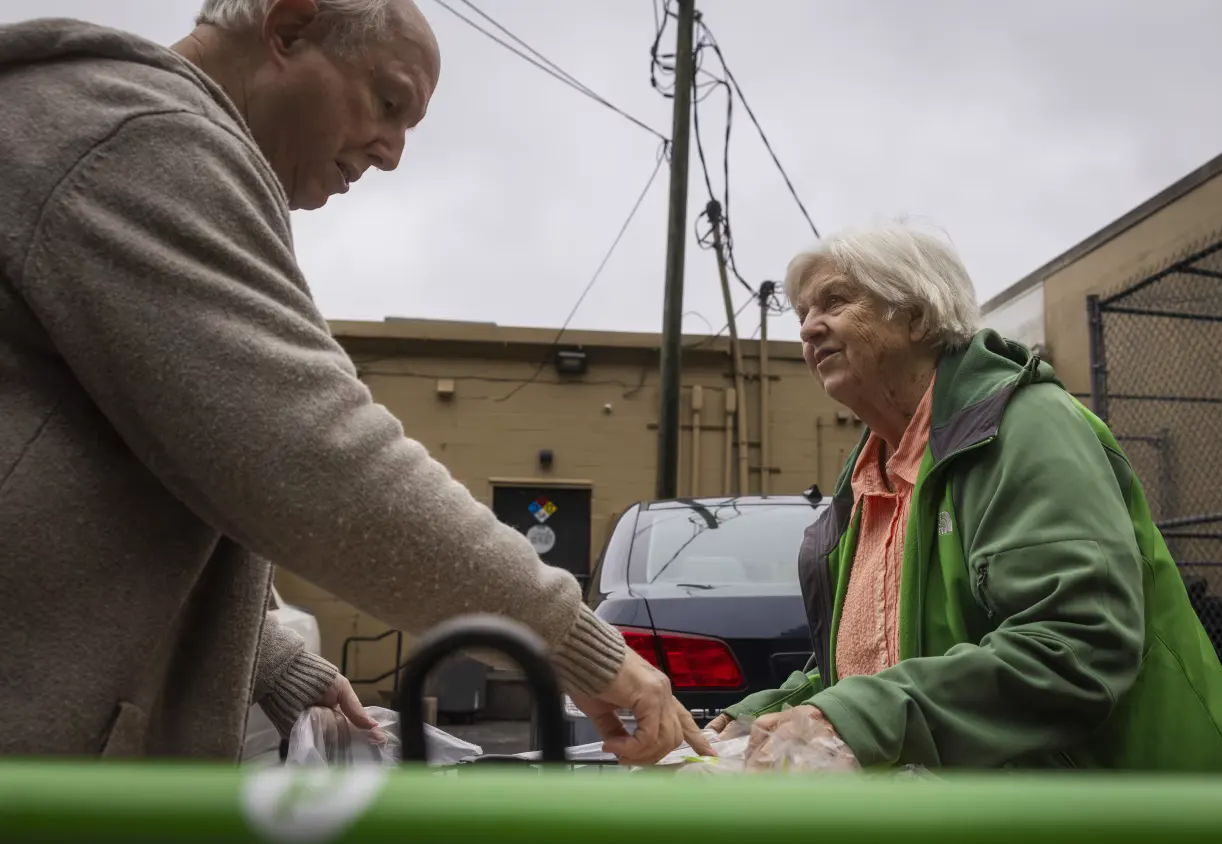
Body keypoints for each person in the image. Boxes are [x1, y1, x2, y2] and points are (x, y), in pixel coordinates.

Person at [0, 0, 710, 765]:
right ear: (290, 26)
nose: (393, 152)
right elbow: (311, 453)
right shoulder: (137, 139)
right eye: (388, 102)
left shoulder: (127, 141)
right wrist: (577, 645)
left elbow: (168, 465)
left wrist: (273, 657)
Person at [707, 221, 1222, 772]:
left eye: (835, 302)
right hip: (981, 824)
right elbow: (873, 660)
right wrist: (767, 713)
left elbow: (1075, 647)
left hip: (1130, 826)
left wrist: (852, 718)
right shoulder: (870, 476)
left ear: (916, 315)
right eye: (802, 315)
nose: (808, 330)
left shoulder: (1028, 426)